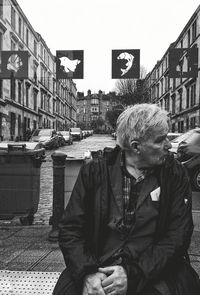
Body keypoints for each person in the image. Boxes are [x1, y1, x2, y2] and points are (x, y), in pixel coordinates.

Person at [53, 103, 200, 295]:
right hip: (98, 264)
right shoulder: (95, 171)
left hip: (154, 268)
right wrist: (87, 273)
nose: (168, 145)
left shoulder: (174, 174)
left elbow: (178, 235)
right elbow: (71, 229)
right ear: (136, 146)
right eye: (160, 140)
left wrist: (133, 274)